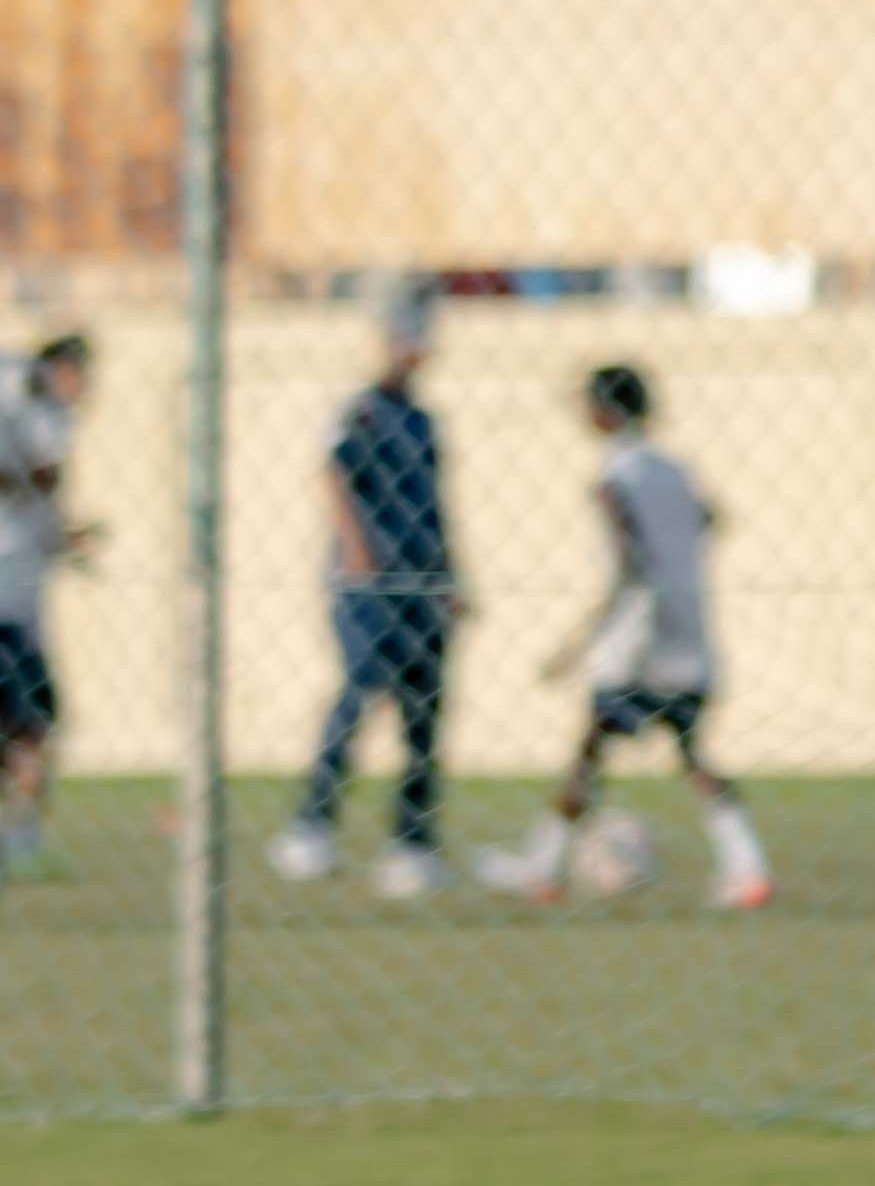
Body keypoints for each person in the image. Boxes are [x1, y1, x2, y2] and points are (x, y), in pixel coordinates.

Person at [477, 363, 772, 908]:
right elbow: (712, 520)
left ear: (606, 412)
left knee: (590, 753)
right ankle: (747, 866)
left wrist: (578, 643)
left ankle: (543, 869)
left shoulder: (615, 477)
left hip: (637, 634)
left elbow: (625, 563)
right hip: (687, 624)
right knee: (690, 751)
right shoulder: (674, 470)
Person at [279, 282, 462, 898]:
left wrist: (451, 575)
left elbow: (437, 504)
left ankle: (412, 841)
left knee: (423, 713)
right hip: (372, 585)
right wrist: (355, 546)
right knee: (358, 694)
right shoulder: (360, 410)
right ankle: (311, 825)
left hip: (423, 581)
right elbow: (335, 471)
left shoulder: (424, 421)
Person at [0, 330, 92, 879]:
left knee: (36, 719)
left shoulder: (50, 419)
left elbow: (44, 490)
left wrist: (66, 537)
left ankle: (23, 834)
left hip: (24, 603)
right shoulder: (19, 398)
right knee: (27, 719)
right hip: (5, 604)